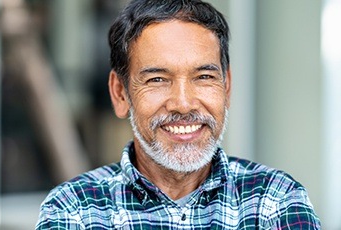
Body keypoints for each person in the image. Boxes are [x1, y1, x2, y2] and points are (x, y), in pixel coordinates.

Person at [36, 0, 321, 229]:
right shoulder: (76, 210)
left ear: (227, 87)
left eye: (203, 77)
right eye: (157, 79)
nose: (183, 104)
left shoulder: (274, 200)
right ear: (121, 94)